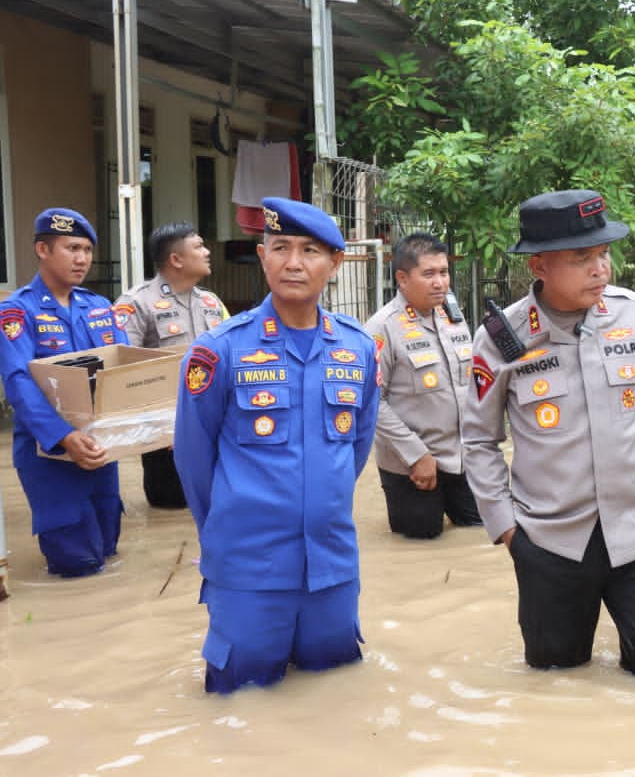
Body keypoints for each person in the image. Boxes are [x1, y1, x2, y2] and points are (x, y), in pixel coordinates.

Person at [462, 189, 635, 683]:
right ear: (540, 267)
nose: (601, 269)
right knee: (554, 678)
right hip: (549, 541)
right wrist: (508, 530)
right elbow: (478, 440)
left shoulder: (631, 312)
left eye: (603, 254)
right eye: (583, 259)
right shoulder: (501, 337)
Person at [173, 197, 378, 694]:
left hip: (331, 569)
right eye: (280, 247)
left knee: (334, 696)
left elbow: (354, 452)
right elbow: (194, 460)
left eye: (310, 250)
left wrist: (317, 508)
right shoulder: (219, 351)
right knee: (237, 701)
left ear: (335, 263)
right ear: (261, 256)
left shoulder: (358, 348)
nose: (293, 262)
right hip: (248, 571)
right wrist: (226, 535)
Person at [0, 208, 128, 578]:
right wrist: (63, 436)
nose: (83, 259)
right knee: (76, 563)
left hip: (101, 449)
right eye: (72, 248)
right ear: (43, 249)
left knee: (107, 547)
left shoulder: (100, 308)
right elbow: (19, 383)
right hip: (49, 454)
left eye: (87, 250)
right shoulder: (17, 312)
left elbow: (124, 372)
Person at [364, 232, 482, 539]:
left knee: (480, 532)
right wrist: (416, 455)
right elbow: (370, 402)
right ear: (402, 278)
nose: (440, 282)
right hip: (411, 465)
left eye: (443, 272)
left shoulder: (452, 317)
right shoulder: (382, 328)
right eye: (428, 274)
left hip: (461, 458)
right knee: (421, 541)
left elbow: (467, 383)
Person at [113, 223, 228, 509]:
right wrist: (161, 427)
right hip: (164, 439)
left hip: (212, 428)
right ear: (176, 259)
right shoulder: (137, 302)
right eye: (199, 247)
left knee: (217, 504)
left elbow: (231, 357)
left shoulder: (211, 302)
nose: (207, 251)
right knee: (172, 506)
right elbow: (122, 369)